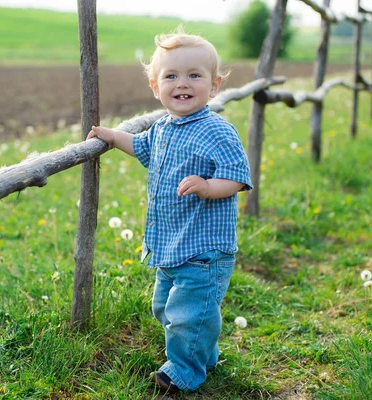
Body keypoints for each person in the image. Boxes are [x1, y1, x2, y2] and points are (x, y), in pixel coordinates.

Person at [87, 28, 253, 393]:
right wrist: (113, 137)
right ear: (155, 85)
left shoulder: (217, 131)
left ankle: (184, 371)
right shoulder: (162, 128)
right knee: (164, 307)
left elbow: (238, 178)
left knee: (187, 316)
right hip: (170, 245)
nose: (183, 83)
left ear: (214, 85)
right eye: (172, 76)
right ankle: (202, 351)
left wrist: (210, 187)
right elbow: (142, 146)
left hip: (203, 249)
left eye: (195, 75)